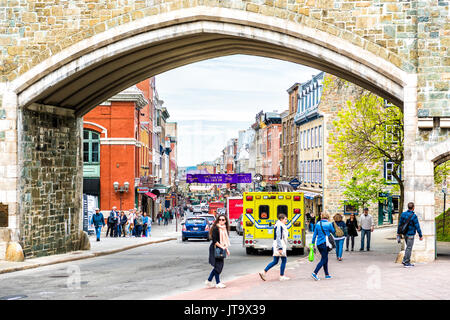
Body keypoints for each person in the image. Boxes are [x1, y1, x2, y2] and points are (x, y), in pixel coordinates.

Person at [258, 213, 290, 282]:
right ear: (281, 219)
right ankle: (282, 276)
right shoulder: (279, 225)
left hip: (276, 245)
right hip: (279, 245)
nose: (286, 220)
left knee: (275, 261)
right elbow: (278, 237)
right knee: (284, 260)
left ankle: (264, 272)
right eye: (285, 219)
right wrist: (280, 248)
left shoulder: (279, 225)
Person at [205, 214, 230, 289]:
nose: (221, 221)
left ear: (225, 221)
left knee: (219, 266)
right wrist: (222, 247)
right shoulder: (216, 228)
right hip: (215, 248)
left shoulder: (224, 229)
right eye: (220, 219)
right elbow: (215, 240)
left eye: (223, 220)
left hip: (221, 248)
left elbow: (225, 241)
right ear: (217, 220)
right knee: (218, 266)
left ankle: (209, 281)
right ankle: (218, 283)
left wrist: (226, 249)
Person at [397, 202, 423, 267]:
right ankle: (406, 262)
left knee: (408, 247)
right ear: (413, 208)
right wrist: (420, 235)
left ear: (408, 207)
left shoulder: (403, 214)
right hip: (411, 234)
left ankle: (405, 260)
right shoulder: (414, 216)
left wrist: (398, 233)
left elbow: (400, 224)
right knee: (409, 248)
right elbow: (417, 226)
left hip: (405, 234)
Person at [311, 212, 335, 281]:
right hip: (326, 243)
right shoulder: (329, 224)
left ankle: (327, 274)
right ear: (327, 216)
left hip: (319, 244)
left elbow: (314, 235)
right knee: (324, 259)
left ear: (321, 216)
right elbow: (333, 231)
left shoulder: (318, 224)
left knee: (325, 258)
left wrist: (313, 244)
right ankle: (314, 273)